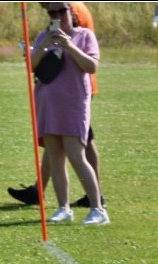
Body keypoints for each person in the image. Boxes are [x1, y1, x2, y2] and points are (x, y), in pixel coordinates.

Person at [8, 2, 107, 215]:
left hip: (73, 105)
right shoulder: (44, 36)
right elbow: (31, 67)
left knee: (76, 156)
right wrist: (43, 46)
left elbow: (91, 66)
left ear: (72, 12)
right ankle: (64, 208)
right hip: (47, 103)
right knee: (55, 157)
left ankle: (97, 208)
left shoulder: (84, 35)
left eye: (61, 11)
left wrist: (69, 45)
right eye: (52, 13)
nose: (57, 16)